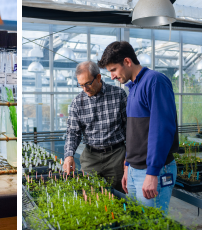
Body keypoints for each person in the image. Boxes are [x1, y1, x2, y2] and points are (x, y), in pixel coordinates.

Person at [98, 41, 178, 212]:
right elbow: (134, 132)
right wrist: (127, 166)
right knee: (138, 222)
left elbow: (162, 130)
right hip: (135, 170)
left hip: (152, 170)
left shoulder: (155, 81)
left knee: (151, 223)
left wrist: (153, 173)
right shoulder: (133, 87)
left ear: (127, 61)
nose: (111, 76)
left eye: (113, 70)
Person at [63, 61, 127, 192]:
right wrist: (69, 156)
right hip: (90, 156)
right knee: (89, 194)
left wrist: (129, 157)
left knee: (119, 195)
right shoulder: (77, 102)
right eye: (81, 85)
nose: (85, 89)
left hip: (116, 155)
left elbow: (129, 128)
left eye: (88, 83)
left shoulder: (118, 95)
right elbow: (73, 132)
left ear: (98, 77)